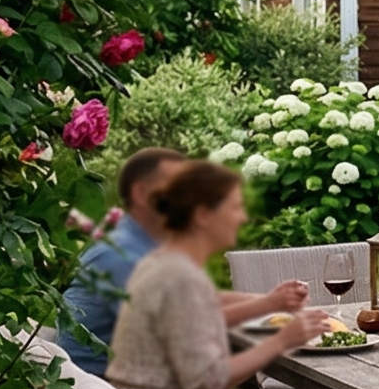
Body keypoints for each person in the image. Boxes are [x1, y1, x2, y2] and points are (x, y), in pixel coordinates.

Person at [107, 161, 334, 389]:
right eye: (235, 207)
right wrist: (281, 340)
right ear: (203, 216)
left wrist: (268, 302)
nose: (242, 217)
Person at [61, 147, 307, 374]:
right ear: (141, 194)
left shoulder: (141, 244)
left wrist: (272, 301)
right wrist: (266, 308)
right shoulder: (123, 255)